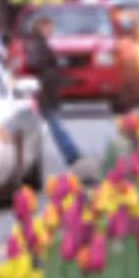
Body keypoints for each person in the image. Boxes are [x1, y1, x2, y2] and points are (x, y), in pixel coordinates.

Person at [20, 14, 81, 166]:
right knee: (53, 124)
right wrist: (49, 77)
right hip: (43, 92)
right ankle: (71, 153)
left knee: (49, 124)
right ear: (41, 27)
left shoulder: (39, 43)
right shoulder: (38, 44)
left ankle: (70, 152)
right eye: (48, 27)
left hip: (44, 90)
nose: (51, 30)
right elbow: (35, 64)